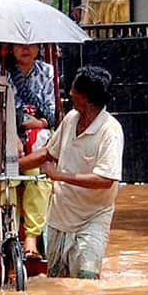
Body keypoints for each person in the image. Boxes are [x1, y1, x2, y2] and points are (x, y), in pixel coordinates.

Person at [20, 66, 123, 279]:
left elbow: (105, 180)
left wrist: (58, 176)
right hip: (60, 216)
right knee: (57, 281)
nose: (70, 94)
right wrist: (12, 167)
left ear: (85, 97)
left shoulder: (110, 131)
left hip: (93, 218)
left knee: (87, 280)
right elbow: (49, 153)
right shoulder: (70, 119)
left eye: (74, 89)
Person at [0, 44, 56, 258]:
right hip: (6, 130)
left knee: (39, 173)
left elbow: (52, 109)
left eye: (31, 45)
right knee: (8, 166)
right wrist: (15, 131)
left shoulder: (48, 72)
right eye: (20, 45)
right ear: (10, 48)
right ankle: (8, 229)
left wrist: (39, 122)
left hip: (39, 131)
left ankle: (31, 238)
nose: (26, 49)